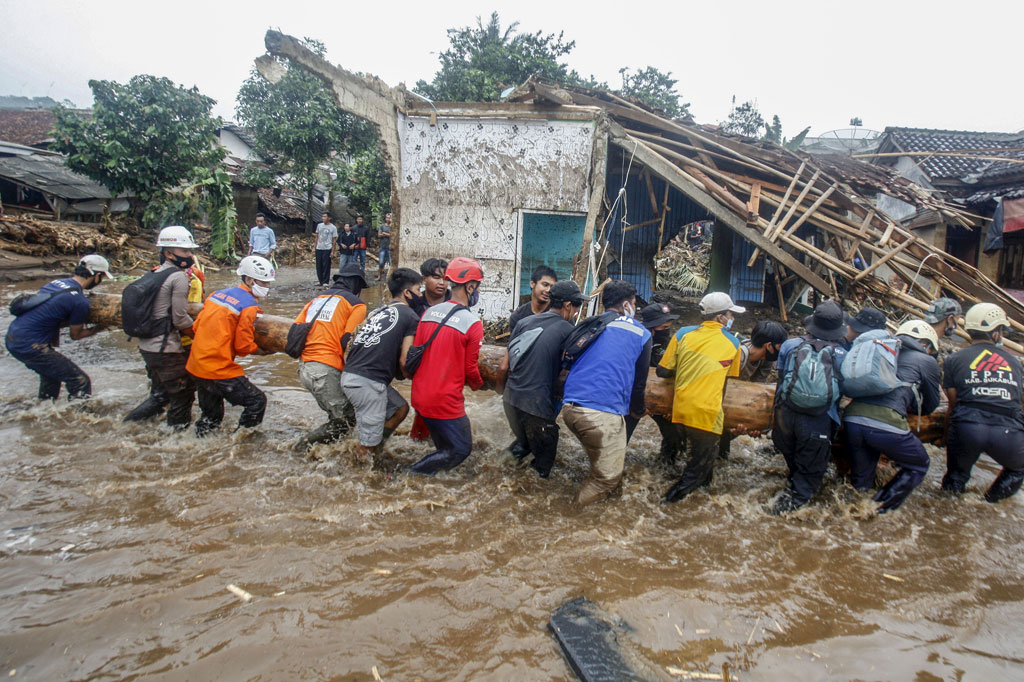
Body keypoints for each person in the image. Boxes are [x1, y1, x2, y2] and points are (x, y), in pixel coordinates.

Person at [561, 280, 652, 507]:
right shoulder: (640, 332)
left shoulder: (591, 324)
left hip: (570, 409)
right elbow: (639, 384)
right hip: (600, 415)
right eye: (634, 303)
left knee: (606, 467)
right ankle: (569, 517)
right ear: (627, 304)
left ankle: (606, 513)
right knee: (605, 480)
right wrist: (638, 411)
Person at [842, 320, 941, 513]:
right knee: (919, 464)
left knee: (862, 482)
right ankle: (878, 509)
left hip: (852, 419)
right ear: (925, 344)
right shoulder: (926, 361)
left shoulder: (885, 351)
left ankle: (852, 513)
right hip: (885, 424)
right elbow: (931, 404)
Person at [658, 292, 745, 503]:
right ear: (720, 317)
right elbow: (729, 379)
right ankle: (666, 504)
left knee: (703, 465)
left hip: (679, 411)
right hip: (706, 414)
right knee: (695, 472)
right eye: (730, 314)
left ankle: (700, 504)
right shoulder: (733, 343)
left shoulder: (682, 334)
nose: (732, 318)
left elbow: (662, 371)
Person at [496, 280, 585, 478]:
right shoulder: (569, 331)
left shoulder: (523, 322)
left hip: (510, 401)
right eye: (577, 307)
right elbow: (565, 376)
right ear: (568, 305)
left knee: (525, 443)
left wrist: (503, 393)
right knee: (543, 469)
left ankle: (494, 469)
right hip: (536, 407)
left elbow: (503, 368)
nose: (577, 312)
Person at [408, 257, 485, 474]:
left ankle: (429, 480)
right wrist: (481, 385)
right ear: (470, 287)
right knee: (460, 449)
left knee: (442, 447)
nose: (477, 291)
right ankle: (406, 477)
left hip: (420, 396)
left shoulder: (428, 313)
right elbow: (470, 370)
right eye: (477, 287)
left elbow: (418, 352)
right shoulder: (473, 324)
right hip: (444, 401)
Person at [771, 301, 849, 514]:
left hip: (785, 418)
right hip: (818, 421)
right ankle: (781, 518)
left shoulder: (790, 345)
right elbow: (843, 389)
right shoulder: (842, 354)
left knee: (794, 464)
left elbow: (780, 380)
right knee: (807, 481)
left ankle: (781, 502)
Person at [941, 303, 1024, 502]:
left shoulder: (954, 360)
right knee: (1018, 469)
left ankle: (949, 512)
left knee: (955, 479)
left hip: (968, 427)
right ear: (995, 333)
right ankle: (988, 502)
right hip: (1007, 432)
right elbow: (1016, 400)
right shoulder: (1013, 362)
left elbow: (953, 404)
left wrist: (946, 435)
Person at [186, 255, 275, 436]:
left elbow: (196, 327)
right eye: (264, 283)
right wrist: (263, 351)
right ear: (249, 280)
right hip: (216, 368)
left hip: (196, 365)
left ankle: (199, 447)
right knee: (257, 401)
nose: (267, 287)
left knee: (211, 417)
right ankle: (241, 442)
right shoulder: (249, 306)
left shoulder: (216, 295)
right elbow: (243, 346)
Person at [5, 254, 113, 400]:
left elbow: (49, 311)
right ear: (96, 276)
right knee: (80, 381)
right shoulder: (80, 302)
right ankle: (79, 418)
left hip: (13, 337)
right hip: (30, 346)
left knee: (51, 377)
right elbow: (76, 335)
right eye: (102, 277)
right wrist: (101, 327)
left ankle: (43, 412)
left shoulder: (56, 283)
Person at [124, 226, 201, 428]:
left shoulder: (155, 273)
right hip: (165, 349)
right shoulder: (179, 277)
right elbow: (180, 319)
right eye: (184, 251)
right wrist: (202, 336)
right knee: (182, 396)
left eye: (190, 251)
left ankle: (126, 426)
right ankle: (176, 442)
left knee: (160, 396)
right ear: (168, 252)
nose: (189, 255)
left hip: (147, 346)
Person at [342, 268, 423, 458]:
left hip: (351, 375)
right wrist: (415, 377)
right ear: (407, 293)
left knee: (401, 409)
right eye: (419, 290)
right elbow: (405, 360)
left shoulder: (379, 311)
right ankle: (361, 475)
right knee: (366, 447)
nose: (421, 295)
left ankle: (377, 449)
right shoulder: (411, 317)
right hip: (368, 382)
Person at [295, 263, 368, 446]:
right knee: (345, 422)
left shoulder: (316, 299)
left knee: (340, 414)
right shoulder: (356, 304)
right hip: (326, 369)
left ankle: (330, 453)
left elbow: (294, 331)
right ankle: (301, 447)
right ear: (356, 284)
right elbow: (347, 341)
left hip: (305, 368)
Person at [625, 302, 682, 465]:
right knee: (621, 436)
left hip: (662, 397)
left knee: (674, 437)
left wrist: (673, 406)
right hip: (634, 395)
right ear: (651, 326)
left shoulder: (671, 343)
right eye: (664, 326)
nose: (667, 329)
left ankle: (666, 466)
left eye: (669, 325)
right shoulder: (635, 339)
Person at [508, 265, 557, 331]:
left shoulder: (559, 313)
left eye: (552, 287)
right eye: (545, 285)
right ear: (532, 284)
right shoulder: (518, 317)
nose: (548, 290)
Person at [314, 211, 338, 287]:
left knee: (326, 265)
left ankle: (325, 281)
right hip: (319, 247)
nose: (323, 218)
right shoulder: (319, 225)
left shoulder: (333, 227)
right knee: (318, 265)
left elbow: (334, 240)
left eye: (325, 216)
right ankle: (320, 280)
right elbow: (316, 236)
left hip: (327, 248)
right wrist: (315, 247)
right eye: (323, 216)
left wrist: (332, 251)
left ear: (329, 218)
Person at [377, 212, 393, 281]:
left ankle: (391, 278)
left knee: (391, 263)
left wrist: (385, 234)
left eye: (389, 218)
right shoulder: (382, 226)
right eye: (387, 218)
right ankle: (379, 276)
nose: (388, 219)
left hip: (391, 248)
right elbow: (379, 235)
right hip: (383, 247)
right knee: (381, 263)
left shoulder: (393, 226)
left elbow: (394, 235)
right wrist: (386, 234)